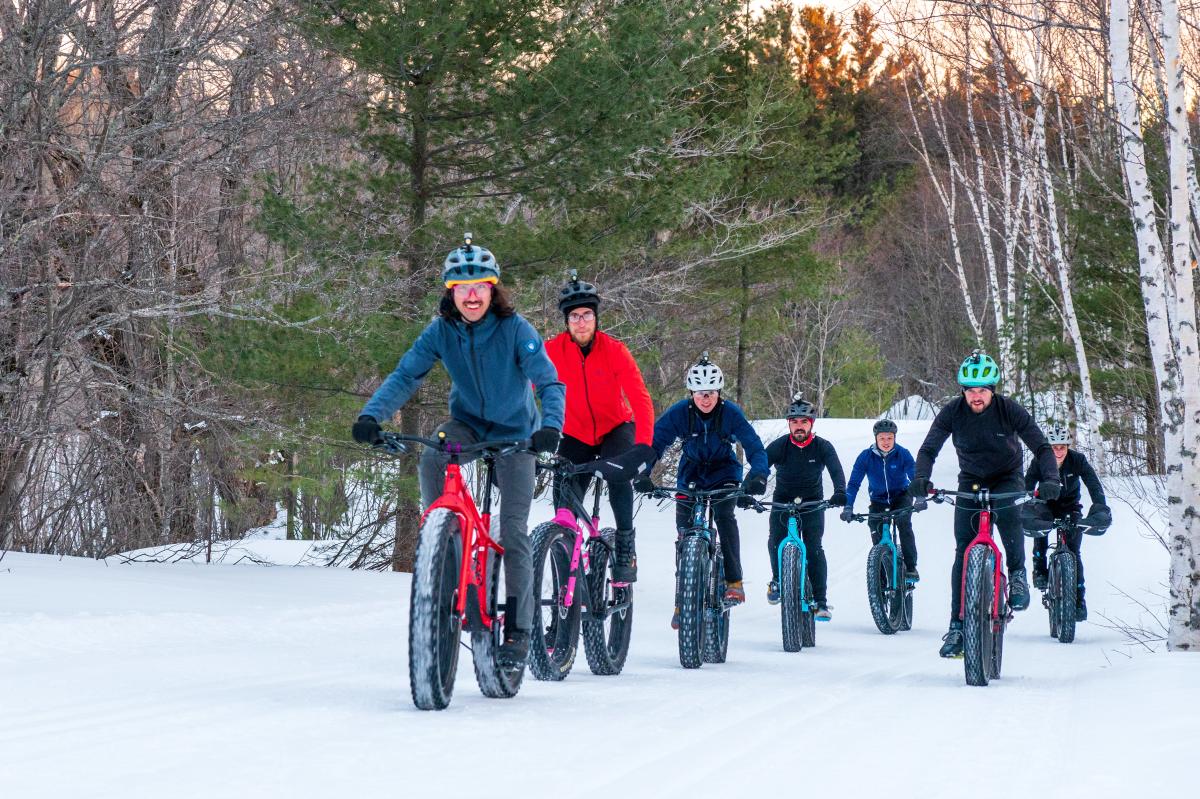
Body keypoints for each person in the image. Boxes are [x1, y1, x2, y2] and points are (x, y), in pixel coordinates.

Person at [351, 235, 565, 668]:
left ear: (493, 289)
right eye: (462, 287)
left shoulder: (516, 330)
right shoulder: (441, 331)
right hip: (466, 425)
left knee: (513, 529)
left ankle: (520, 632)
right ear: (451, 291)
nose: (471, 295)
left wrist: (550, 427)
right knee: (434, 452)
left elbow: (548, 383)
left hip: (517, 436)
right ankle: (443, 537)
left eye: (480, 286)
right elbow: (406, 375)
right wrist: (372, 416)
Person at [909, 350, 1059, 658]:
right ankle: (956, 626)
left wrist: (1051, 479)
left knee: (1009, 518)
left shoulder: (1009, 410)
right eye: (970, 390)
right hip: (971, 480)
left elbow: (1041, 447)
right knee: (963, 550)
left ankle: (1017, 575)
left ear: (993, 390)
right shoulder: (953, 412)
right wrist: (921, 478)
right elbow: (928, 449)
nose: (976, 397)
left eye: (982, 390)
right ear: (962, 390)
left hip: (1007, 478)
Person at [633, 353, 768, 626]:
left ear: (719, 392)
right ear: (691, 393)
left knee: (724, 516)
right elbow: (655, 443)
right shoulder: (680, 413)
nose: (705, 399)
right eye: (699, 393)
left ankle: (734, 580)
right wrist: (644, 472)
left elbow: (752, 445)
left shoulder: (730, 413)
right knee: (683, 535)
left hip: (724, 471)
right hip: (691, 472)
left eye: (710, 393)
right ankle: (681, 601)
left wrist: (758, 476)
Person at [545, 273, 655, 583]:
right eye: (575, 316)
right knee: (563, 500)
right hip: (575, 434)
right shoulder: (552, 351)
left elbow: (640, 398)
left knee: (619, 474)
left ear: (596, 317)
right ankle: (565, 565)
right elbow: (527, 389)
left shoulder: (614, 350)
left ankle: (624, 545)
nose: (581, 322)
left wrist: (644, 445)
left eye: (587, 315)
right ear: (567, 321)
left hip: (614, 429)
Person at [764, 395, 847, 621]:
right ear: (789, 423)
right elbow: (761, 467)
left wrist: (840, 492)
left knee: (814, 548)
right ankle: (777, 581)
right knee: (775, 540)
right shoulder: (780, 445)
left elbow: (837, 472)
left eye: (803, 422)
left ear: (811, 423)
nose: (799, 426)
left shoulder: (822, 447)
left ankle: (820, 601)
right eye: (794, 422)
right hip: (783, 499)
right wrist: (752, 485)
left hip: (812, 501)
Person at [1023, 425, 1109, 621]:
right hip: (1045, 504)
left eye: (1062, 447)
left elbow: (1093, 483)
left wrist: (1100, 506)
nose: (1058, 451)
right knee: (1041, 529)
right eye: (1054, 447)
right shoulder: (1040, 461)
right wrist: (1025, 505)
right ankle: (1039, 568)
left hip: (1070, 506)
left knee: (1073, 550)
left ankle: (1079, 601)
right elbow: (1027, 484)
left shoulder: (1077, 460)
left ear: (1068, 447)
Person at [841, 418, 918, 582]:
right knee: (875, 529)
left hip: (901, 496)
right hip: (878, 500)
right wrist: (848, 506)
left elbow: (915, 477)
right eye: (882, 438)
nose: (886, 442)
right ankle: (881, 575)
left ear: (894, 438)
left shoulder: (902, 454)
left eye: (889, 438)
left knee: (903, 523)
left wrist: (920, 498)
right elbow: (854, 483)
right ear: (876, 438)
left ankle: (911, 568)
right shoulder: (865, 457)